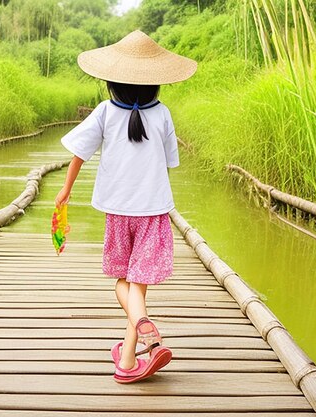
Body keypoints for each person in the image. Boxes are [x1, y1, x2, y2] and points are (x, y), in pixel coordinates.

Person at [55, 30, 197, 383]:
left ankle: (131, 354)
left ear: (112, 83)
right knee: (138, 284)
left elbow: (79, 154)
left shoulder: (105, 111)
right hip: (153, 212)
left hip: (117, 212)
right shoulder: (162, 114)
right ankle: (137, 335)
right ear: (155, 84)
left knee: (123, 281)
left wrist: (64, 192)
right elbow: (169, 162)